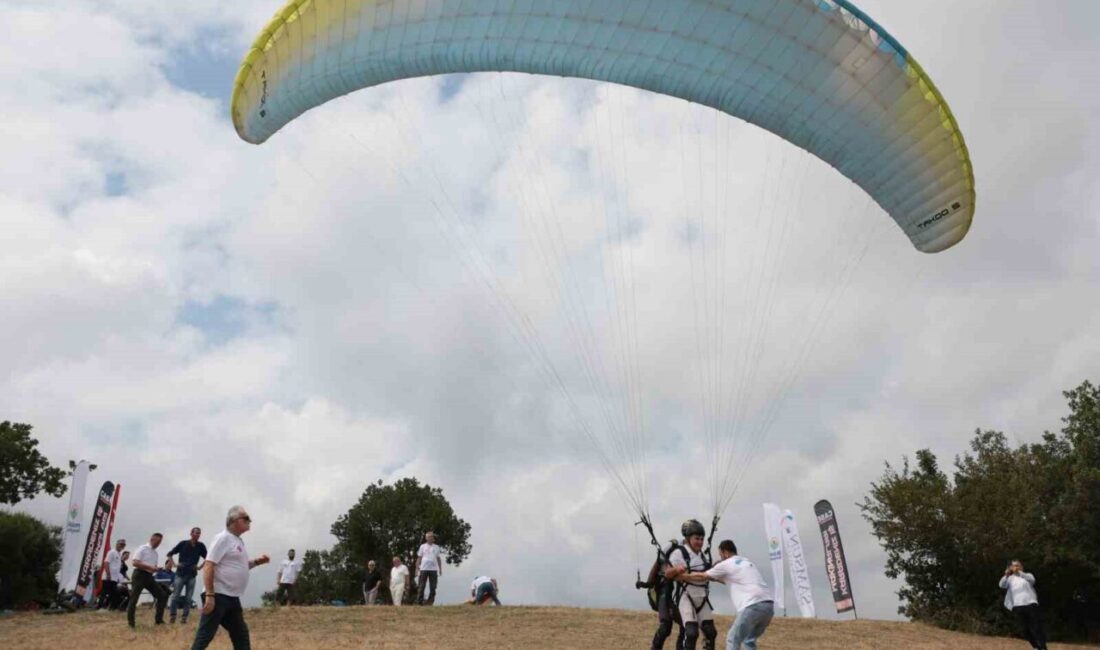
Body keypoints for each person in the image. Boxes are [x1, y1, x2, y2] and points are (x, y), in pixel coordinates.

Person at [191, 505, 270, 650]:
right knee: (205, 636)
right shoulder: (223, 538)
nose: (249, 521)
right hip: (218, 594)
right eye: (246, 518)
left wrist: (258, 562)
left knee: (241, 635)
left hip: (232, 597)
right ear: (233, 520)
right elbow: (209, 565)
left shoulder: (238, 541)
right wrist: (209, 594)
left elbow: (239, 566)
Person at [681, 540, 774, 650]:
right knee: (748, 640)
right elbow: (727, 579)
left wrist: (682, 576)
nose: (721, 559)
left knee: (732, 638)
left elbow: (702, 576)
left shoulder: (726, 563)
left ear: (725, 552)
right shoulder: (746, 562)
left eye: (721, 555)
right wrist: (714, 576)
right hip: (768, 606)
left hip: (752, 605)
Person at [665, 519, 718, 650]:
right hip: (686, 596)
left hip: (702, 597)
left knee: (711, 632)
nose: (700, 542)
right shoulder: (679, 553)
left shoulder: (702, 555)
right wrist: (676, 569)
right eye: (697, 539)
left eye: (702, 539)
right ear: (688, 538)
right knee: (691, 633)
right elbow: (667, 573)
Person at [636, 541, 685, 650]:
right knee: (666, 626)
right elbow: (653, 575)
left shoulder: (679, 558)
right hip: (662, 596)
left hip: (670, 598)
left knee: (686, 624)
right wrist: (644, 584)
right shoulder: (662, 559)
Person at [1000, 560, 1048, 650]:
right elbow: (1001, 585)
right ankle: (1036, 647)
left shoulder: (1027, 575)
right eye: (1013, 566)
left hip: (1031, 604)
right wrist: (1006, 575)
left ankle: (1043, 647)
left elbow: (1032, 580)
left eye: (1017, 565)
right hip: (1018, 606)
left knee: (1036, 627)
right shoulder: (1010, 579)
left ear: (1021, 567)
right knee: (1025, 630)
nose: (1015, 567)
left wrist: (1019, 572)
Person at [128, 532, 170, 628]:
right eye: (157, 541)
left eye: (160, 542)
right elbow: (135, 562)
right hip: (139, 575)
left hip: (149, 576)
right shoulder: (142, 548)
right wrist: (150, 567)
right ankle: (131, 623)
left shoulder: (155, 553)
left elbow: (153, 567)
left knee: (162, 596)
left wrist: (157, 568)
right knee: (134, 599)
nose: (158, 544)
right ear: (152, 539)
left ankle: (158, 621)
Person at [166, 527, 208, 623]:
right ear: (191, 533)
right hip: (180, 574)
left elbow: (209, 558)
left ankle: (184, 618)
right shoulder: (183, 543)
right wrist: (174, 564)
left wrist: (200, 567)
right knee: (176, 596)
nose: (198, 535)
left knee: (188, 598)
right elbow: (169, 554)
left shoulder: (200, 546)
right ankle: (173, 616)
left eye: (199, 533)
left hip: (192, 575)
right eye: (196, 533)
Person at [98, 538, 126, 610]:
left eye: (123, 545)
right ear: (117, 544)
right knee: (104, 593)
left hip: (114, 578)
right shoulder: (111, 552)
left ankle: (111, 607)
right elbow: (106, 563)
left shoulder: (119, 554)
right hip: (109, 577)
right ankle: (100, 607)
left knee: (113, 593)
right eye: (120, 544)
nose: (121, 546)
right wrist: (108, 574)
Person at [415, 532, 443, 605]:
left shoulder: (436, 547)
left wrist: (440, 569)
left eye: (431, 537)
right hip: (423, 569)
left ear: (433, 538)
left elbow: (438, 558)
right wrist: (417, 568)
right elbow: (419, 557)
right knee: (421, 586)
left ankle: (430, 602)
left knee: (433, 587)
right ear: (426, 538)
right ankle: (419, 602)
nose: (430, 538)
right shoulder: (422, 546)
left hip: (433, 569)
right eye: (429, 537)